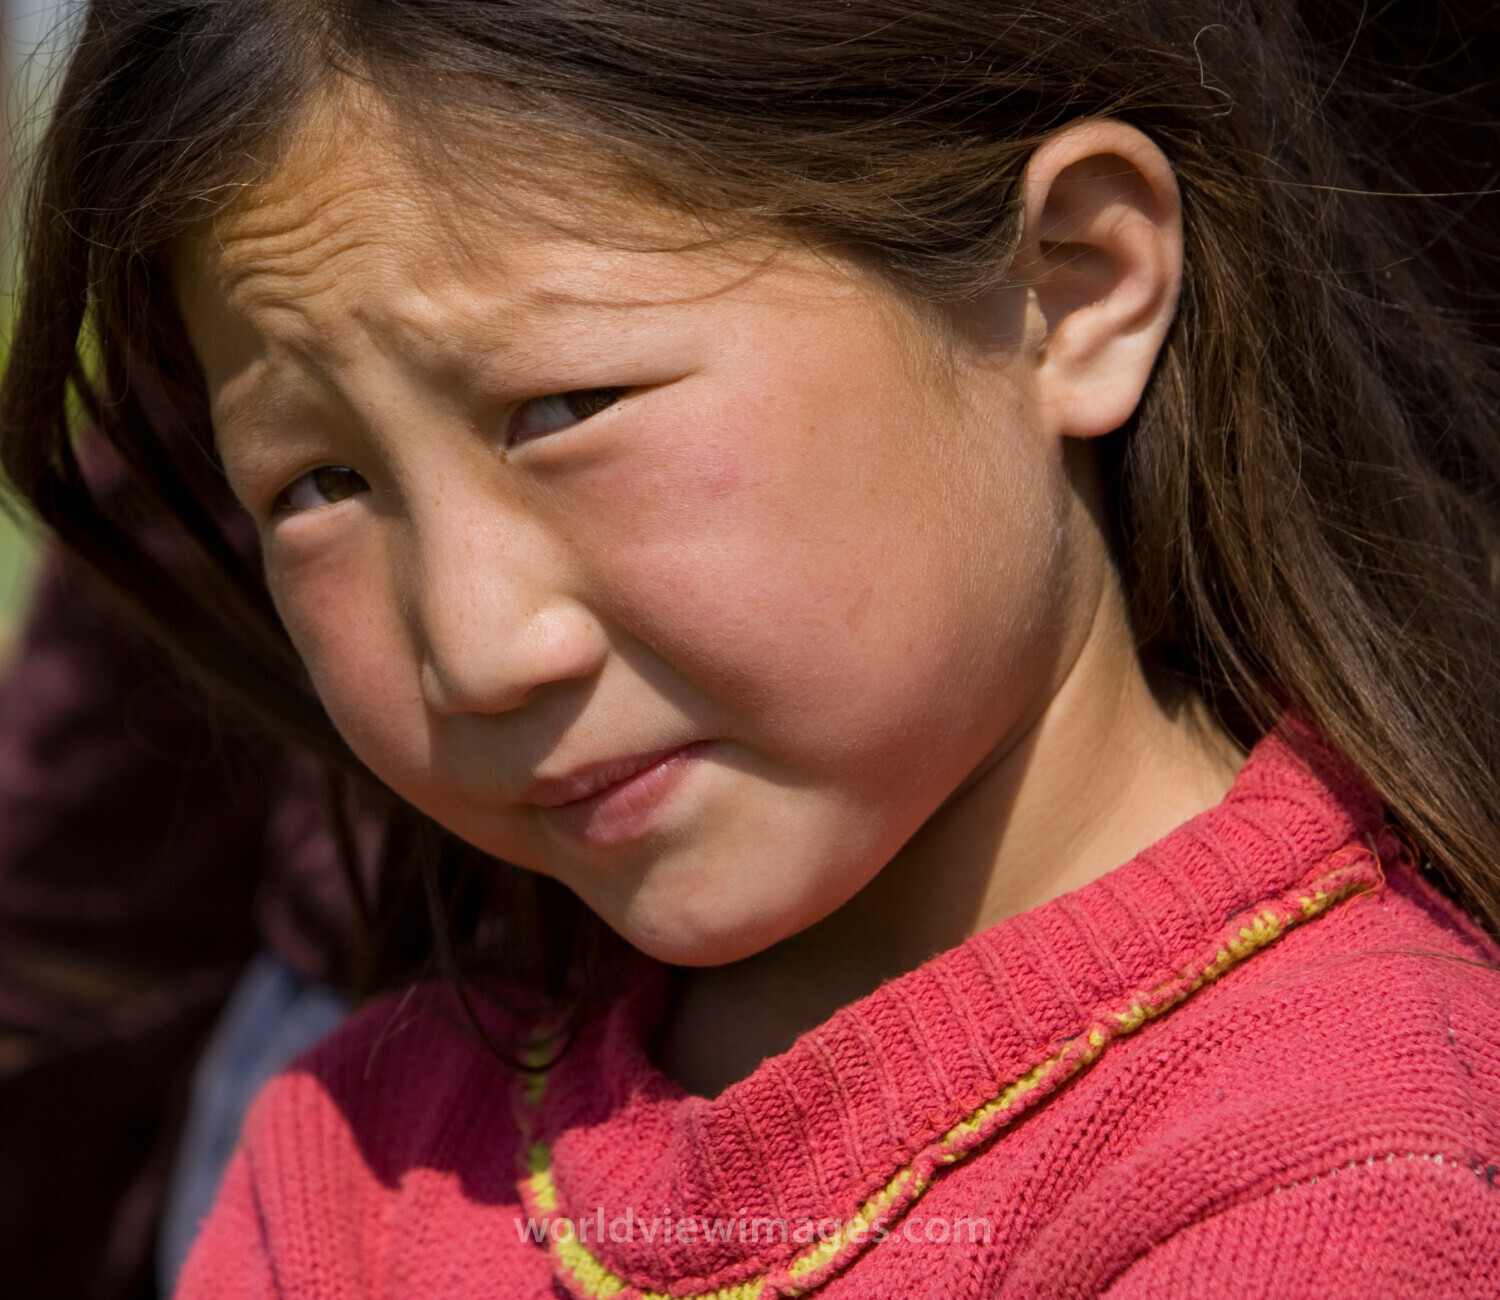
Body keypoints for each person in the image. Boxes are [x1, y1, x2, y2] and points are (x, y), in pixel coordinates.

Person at [4, 1, 1500, 1295]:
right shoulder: (354, 1162)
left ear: (1071, 285)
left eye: (565, 410)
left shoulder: (1353, 1180)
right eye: (319, 487)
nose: (474, 648)